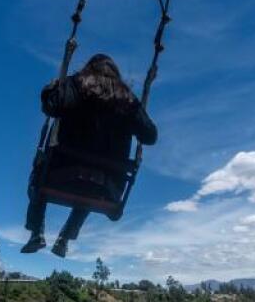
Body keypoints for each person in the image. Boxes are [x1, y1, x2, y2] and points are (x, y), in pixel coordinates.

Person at [22, 54, 158, 257]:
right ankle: (66, 237)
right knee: (92, 183)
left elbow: (51, 106)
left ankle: (36, 232)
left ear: (88, 68)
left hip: (61, 175)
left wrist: (50, 89)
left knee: (43, 172)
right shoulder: (128, 99)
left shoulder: (76, 84)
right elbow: (150, 136)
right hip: (106, 187)